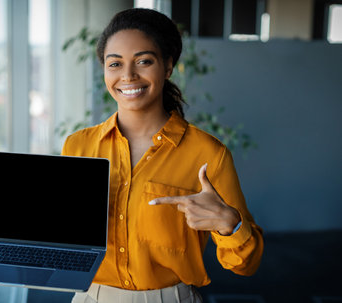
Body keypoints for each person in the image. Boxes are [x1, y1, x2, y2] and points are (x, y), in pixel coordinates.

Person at [62, 8, 264, 303]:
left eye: (144, 61)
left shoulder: (207, 154)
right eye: (114, 63)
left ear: (168, 66)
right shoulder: (78, 147)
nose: (128, 76)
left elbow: (248, 265)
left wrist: (228, 223)